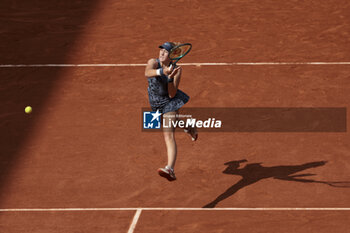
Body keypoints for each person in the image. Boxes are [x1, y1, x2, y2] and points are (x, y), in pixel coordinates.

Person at [145, 42, 197, 181]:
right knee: (165, 123)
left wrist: (169, 79)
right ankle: (189, 127)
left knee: (168, 135)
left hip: (169, 103)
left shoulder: (177, 70)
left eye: (166, 51)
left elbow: (172, 94)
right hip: (155, 104)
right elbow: (147, 73)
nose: (161, 53)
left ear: (173, 55)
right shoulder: (153, 62)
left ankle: (170, 169)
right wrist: (163, 71)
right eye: (161, 50)